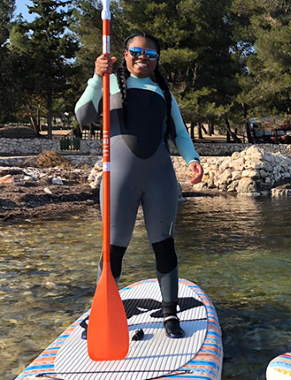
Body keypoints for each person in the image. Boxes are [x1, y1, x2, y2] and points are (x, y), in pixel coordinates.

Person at [75, 32, 204, 339]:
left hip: (160, 177)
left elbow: (181, 135)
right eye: (135, 51)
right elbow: (83, 116)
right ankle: (101, 312)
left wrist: (192, 159)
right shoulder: (110, 84)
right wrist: (96, 77)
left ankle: (170, 313)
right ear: (125, 54)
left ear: (158, 60)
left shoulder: (164, 92)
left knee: (164, 245)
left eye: (150, 54)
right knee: (113, 249)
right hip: (119, 178)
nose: (142, 57)